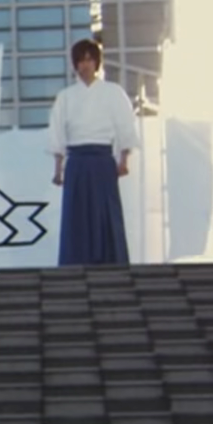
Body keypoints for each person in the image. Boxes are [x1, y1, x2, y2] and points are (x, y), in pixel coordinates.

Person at [48, 39, 140, 266]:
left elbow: (125, 126)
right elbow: (58, 132)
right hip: (77, 160)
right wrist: (58, 169)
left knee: (105, 211)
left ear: (96, 63)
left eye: (89, 60)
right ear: (75, 65)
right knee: (76, 213)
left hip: (102, 159)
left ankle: (112, 260)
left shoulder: (113, 92)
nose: (85, 65)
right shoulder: (66, 96)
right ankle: (75, 261)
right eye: (81, 60)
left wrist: (124, 159)